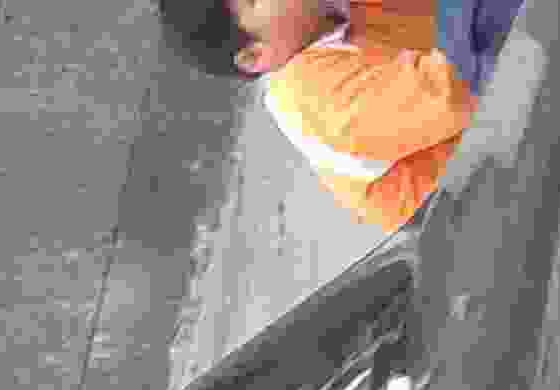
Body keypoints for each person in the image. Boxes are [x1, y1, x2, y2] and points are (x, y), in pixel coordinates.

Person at [160, 0, 474, 235]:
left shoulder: (322, 13)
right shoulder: (313, 96)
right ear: (256, 55)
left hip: (458, 103)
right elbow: (456, 90)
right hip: (455, 202)